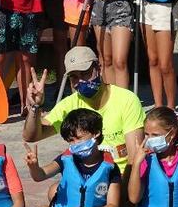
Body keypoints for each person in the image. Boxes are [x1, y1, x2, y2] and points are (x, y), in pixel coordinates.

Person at [22, 47, 145, 175]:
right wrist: (35, 107)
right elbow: (31, 136)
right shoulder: (69, 104)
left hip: (121, 176)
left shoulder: (127, 100)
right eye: (74, 77)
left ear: (99, 68)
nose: (80, 81)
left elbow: (134, 159)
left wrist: (122, 191)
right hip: (87, 179)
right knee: (54, 191)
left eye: (85, 73)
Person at [26, 108, 122, 207]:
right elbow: (40, 175)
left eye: (79, 138)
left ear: (96, 133)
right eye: (71, 140)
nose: (75, 144)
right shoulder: (66, 159)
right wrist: (33, 167)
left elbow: (113, 206)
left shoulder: (110, 167)